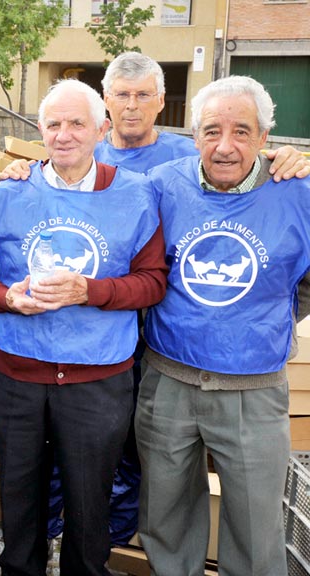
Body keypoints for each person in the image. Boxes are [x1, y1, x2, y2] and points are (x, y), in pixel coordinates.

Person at [0, 79, 168, 576]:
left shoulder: (135, 195)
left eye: (77, 123)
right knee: (20, 496)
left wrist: (90, 292)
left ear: (101, 128)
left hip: (98, 379)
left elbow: (153, 283)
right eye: (53, 124)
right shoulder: (9, 192)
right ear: (39, 130)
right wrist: (6, 297)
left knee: (88, 502)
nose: (64, 134)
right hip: (19, 376)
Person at [137, 76, 310, 576]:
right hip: (167, 382)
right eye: (212, 131)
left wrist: (269, 315)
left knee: (257, 528)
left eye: (242, 131)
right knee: (165, 516)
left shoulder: (296, 194)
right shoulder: (163, 186)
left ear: (264, 139)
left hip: (253, 390)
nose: (226, 145)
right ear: (194, 136)